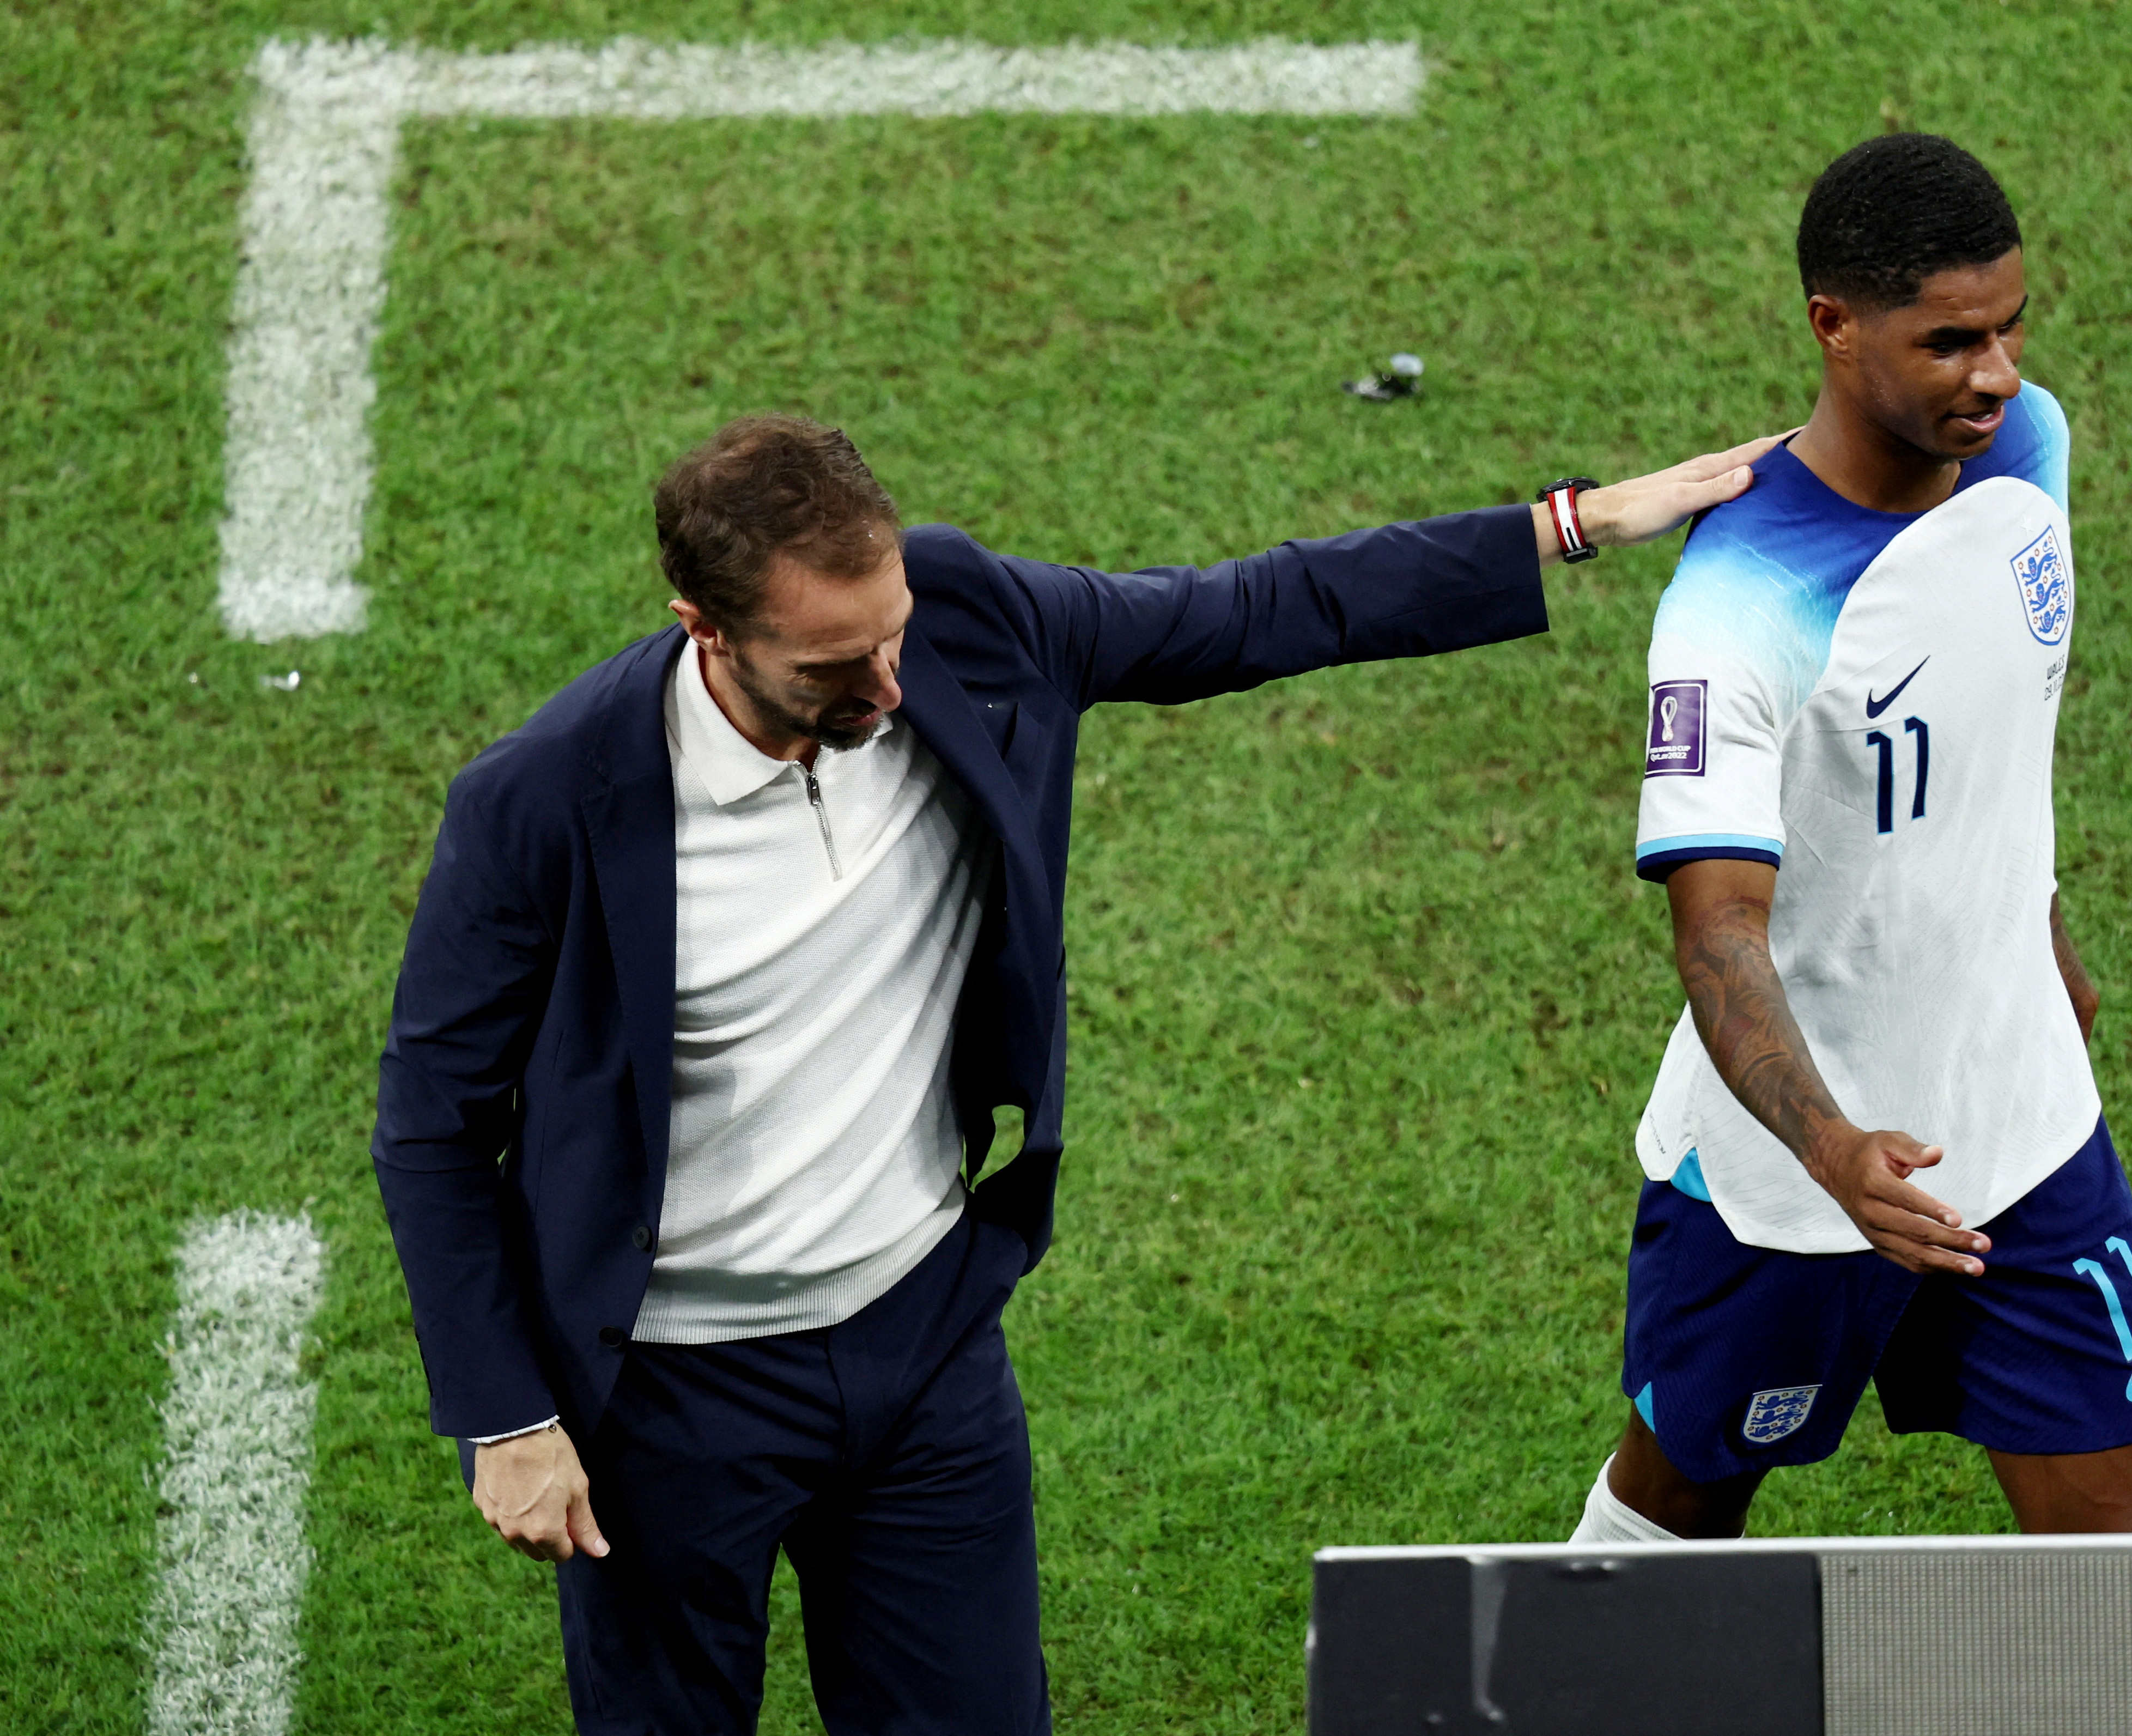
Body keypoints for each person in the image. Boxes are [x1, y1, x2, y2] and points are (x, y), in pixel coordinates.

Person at [370, 413, 1772, 1734]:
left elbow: (1255, 608)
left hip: (919, 1344)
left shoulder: (964, 618)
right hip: (667, 1400)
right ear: (705, 630)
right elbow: (435, 1129)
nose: (886, 691)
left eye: (892, 640)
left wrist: (1573, 523)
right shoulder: (544, 799)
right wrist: (508, 1418)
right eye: (829, 670)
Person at [1567, 134, 2132, 1547]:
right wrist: (1836, 1152)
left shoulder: (2026, 449)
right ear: (1831, 329)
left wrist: (2042, 934)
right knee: (1674, 1518)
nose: (1997, 372)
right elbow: (1716, 939)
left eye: (2011, 325)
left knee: (2127, 1580)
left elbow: (1988, 730)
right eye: (1949, 339)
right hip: (1792, 1187)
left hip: (2023, 1130)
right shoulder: (1733, 610)